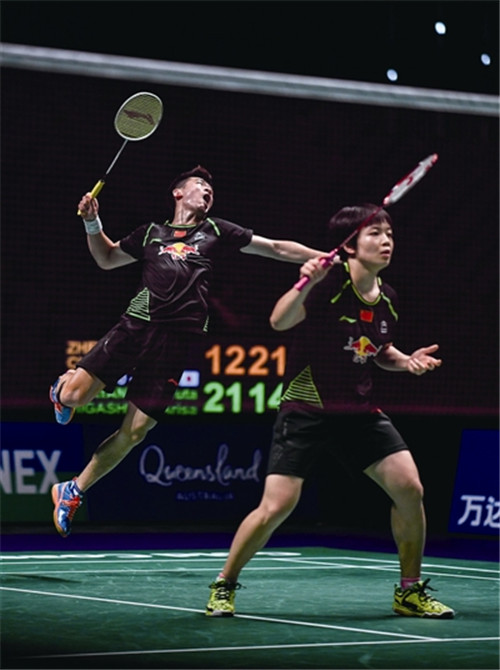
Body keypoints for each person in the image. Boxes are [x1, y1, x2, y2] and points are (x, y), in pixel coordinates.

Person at [205, 203, 455, 619]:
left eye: (389, 233)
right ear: (350, 246)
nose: (387, 241)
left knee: (410, 488)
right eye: (375, 233)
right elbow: (279, 321)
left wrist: (406, 360)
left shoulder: (388, 299)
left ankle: (409, 591)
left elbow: (379, 351)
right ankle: (224, 583)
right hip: (307, 409)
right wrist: (305, 282)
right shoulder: (329, 285)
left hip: (358, 411)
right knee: (276, 507)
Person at [49, 165, 327, 538]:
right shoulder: (151, 233)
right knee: (74, 398)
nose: (208, 192)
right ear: (178, 193)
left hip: (179, 341)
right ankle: (61, 389)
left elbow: (275, 247)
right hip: (136, 327)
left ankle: (74, 489)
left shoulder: (216, 230)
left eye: (211, 189)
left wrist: (327, 259)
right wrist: (92, 222)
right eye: (200, 185)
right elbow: (108, 258)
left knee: (136, 431)